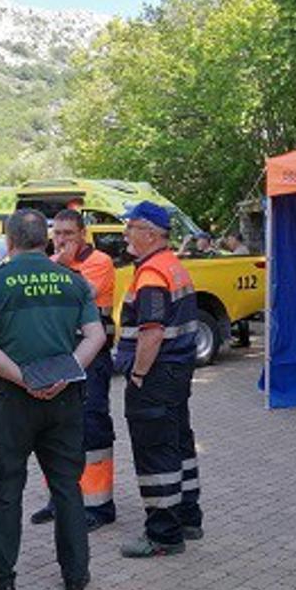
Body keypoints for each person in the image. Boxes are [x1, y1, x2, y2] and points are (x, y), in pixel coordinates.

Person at [0, 209, 105, 590]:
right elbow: (95, 336)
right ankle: (76, 577)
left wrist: (25, 378)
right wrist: (67, 371)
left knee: (5, 493)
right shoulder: (73, 282)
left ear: (9, 242)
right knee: (67, 488)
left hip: (11, 402)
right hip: (65, 402)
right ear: (46, 241)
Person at [115, 201, 204, 558]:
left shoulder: (152, 274)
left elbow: (151, 333)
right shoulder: (173, 266)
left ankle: (164, 535)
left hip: (154, 376)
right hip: (177, 373)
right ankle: (188, 518)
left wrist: (137, 373)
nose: (126, 234)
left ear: (150, 233)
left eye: (131, 227)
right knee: (179, 444)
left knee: (155, 453)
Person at [29, 209, 119, 531]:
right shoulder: (53, 261)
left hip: (92, 357)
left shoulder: (100, 262)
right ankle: (60, 499)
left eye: (69, 233)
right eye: (58, 234)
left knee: (92, 426)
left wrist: (59, 266)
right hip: (60, 354)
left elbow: (84, 293)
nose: (62, 240)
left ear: (83, 234)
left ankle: (100, 506)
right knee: (55, 430)